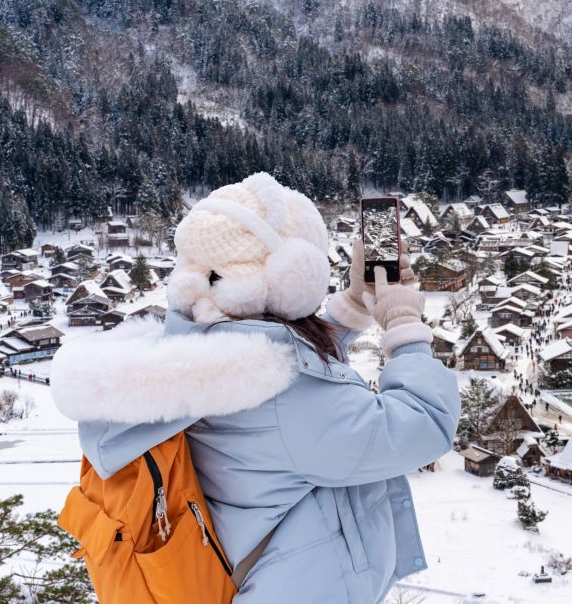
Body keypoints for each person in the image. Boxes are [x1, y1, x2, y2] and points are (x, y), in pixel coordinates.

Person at [51, 173, 460, 603]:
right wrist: (404, 325)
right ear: (293, 274)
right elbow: (424, 424)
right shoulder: (284, 400)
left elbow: (291, 379)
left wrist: (351, 309)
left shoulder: (189, 357)